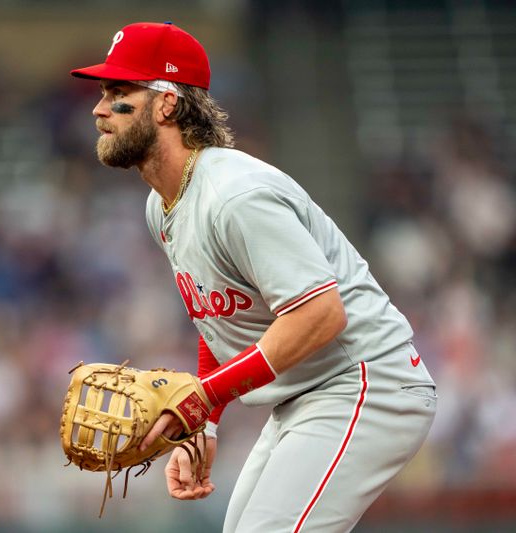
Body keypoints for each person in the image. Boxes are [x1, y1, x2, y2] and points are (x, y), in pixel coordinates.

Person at [69, 21, 437, 532]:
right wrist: (205, 422)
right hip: (305, 396)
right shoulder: (163, 205)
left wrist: (203, 398)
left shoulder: (236, 196)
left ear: (168, 104)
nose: (99, 109)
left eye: (119, 92)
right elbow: (217, 317)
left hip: (365, 383)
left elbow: (320, 314)